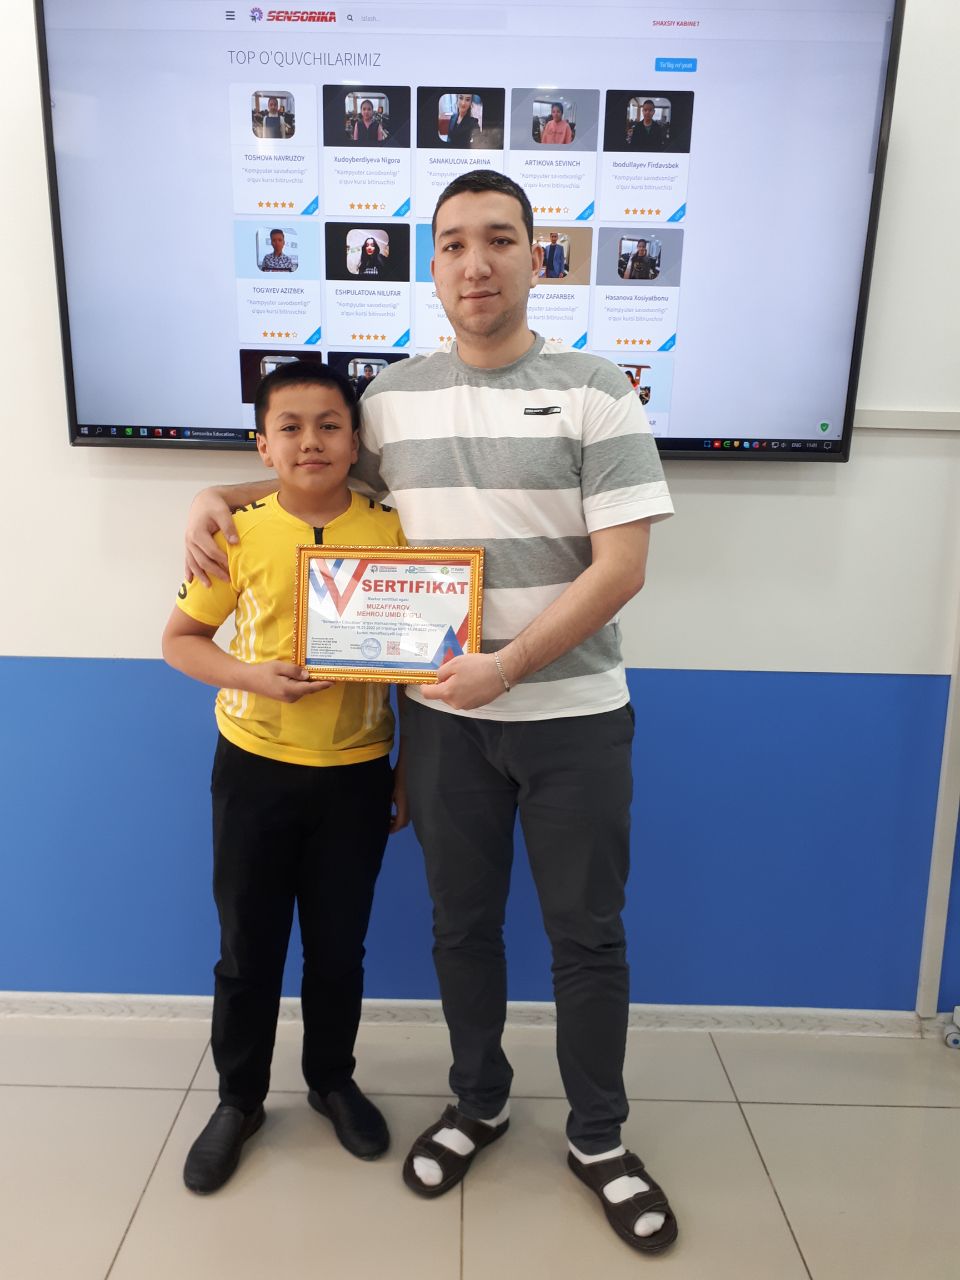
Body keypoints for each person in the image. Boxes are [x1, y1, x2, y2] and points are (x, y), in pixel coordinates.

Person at [183, 170, 678, 1254]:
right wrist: (214, 496)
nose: (475, 262)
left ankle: (599, 1136)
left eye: (499, 239)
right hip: (447, 723)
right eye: (452, 243)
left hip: (574, 714)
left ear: (537, 256)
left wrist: (510, 665)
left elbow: (624, 565)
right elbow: (309, 474)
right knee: (462, 926)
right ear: (432, 265)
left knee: (586, 935)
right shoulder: (392, 400)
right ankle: (479, 1101)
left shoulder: (599, 389)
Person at [164, 361, 408, 1195]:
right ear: (262, 446)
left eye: (330, 425)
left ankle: (332, 1080)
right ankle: (239, 1099)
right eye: (291, 427)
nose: (312, 442)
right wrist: (249, 676)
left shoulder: (395, 532)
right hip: (254, 773)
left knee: (339, 949)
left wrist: (406, 767)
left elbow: (420, 663)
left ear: (355, 441)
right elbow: (179, 640)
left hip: (357, 775)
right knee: (247, 948)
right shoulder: (236, 533)